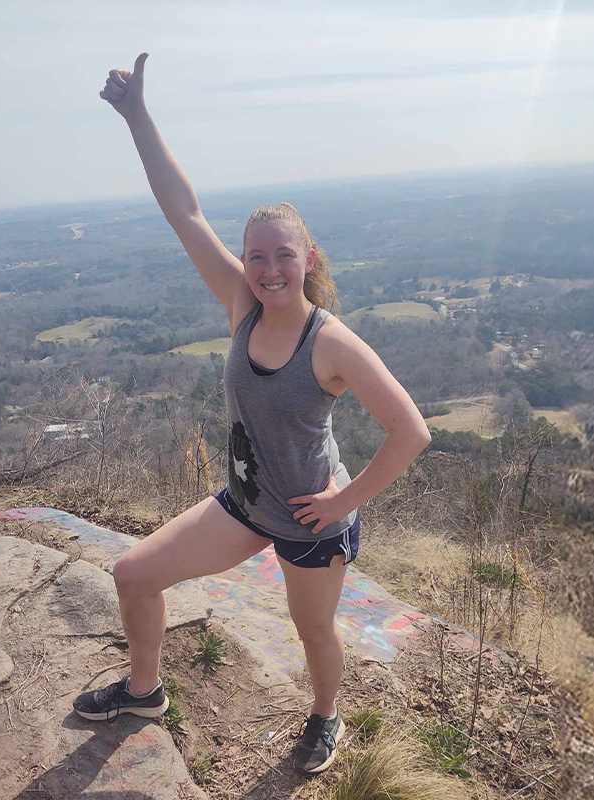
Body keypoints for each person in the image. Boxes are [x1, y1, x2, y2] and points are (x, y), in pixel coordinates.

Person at [73, 52, 432, 776]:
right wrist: (138, 116)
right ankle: (145, 694)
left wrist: (342, 500)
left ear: (307, 259)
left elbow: (411, 431)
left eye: (282, 256)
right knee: (133, 574)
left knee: (312, 631)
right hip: (244, 502)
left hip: (308, 518)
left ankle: (324, 719)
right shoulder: (242, 306)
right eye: (256, 256)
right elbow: (185, 211)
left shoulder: (329, 341)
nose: (268, 269)